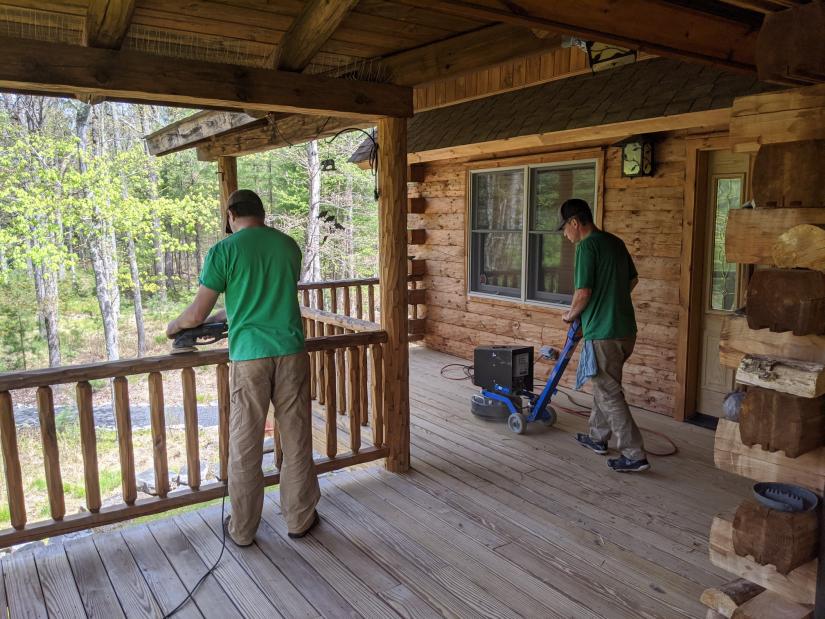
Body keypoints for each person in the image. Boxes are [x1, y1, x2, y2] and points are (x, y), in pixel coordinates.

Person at [166, 189, 320, 544]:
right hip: (291, 351)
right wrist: (228, 315)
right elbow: (263, 297)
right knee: (296, 438)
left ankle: (243, 529)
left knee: (246, 443)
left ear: (231, 214)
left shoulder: (224, 250)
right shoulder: (287, 246)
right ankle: (300, 519)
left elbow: (196, 314)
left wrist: (174, 326)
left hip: (250, 356)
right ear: (261, 214)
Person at [558, 198, 649, 473]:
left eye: (565, 228)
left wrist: (570, 315)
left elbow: (583, 292)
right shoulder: (614, 242)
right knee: (604, 384)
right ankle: (598, 438)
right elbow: (632, 279)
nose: (565, 234)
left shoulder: (587, 247)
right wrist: (612, 300)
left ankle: (634, 454)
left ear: (575, 223)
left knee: (608, 392)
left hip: (603, 332)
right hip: (625, 331)